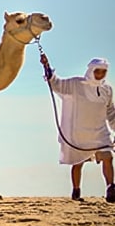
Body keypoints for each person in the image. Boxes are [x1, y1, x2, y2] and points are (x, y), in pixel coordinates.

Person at [40, 55, 115, 203]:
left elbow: (111, 112)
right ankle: (76, 190)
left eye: (103, 72)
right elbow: (57, 84)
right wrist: (47, 67)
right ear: (91, 70)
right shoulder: (76, 84)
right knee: (78, 162)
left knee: (108, 157)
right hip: (79, 133)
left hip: (100, 132)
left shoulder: (107, 89)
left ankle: (111, 188)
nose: (100, 74)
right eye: (98, 71)